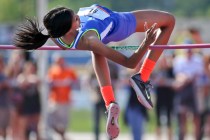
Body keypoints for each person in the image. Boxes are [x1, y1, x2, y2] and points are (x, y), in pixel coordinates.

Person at [14, 4, 175, 139]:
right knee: (169, 21)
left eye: (75, 14)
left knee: (97, 51)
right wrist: (146, 42)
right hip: (120, 23)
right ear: (69, 29)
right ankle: (143, 77)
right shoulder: (89, 39)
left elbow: (76, 39)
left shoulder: (57, 36)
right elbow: (130, 63)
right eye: (76, 19)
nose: (78, 18)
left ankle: (110, 102)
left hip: (100, 30)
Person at [47, 53, 77, 140]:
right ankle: (63, 136)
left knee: (64, 123)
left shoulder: (69, 70)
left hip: (65, 100)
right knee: (51, 121)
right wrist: (62, 83)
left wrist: (68, 82)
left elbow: (75, 82)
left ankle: (62, 136)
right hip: (55, 99)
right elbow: (50, 83)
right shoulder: (52, 70)